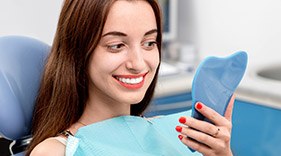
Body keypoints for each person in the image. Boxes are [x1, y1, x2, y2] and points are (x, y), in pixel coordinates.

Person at [27, 0, 234, 155]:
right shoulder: (56, 151)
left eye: (149, 43)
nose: (138, 63)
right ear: (79, 51)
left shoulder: (176, 133)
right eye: (116, 46)